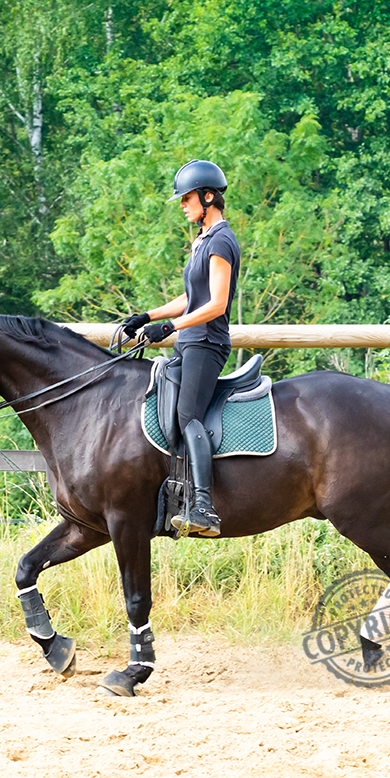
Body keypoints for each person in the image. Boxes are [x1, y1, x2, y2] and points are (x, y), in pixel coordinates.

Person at [119, 160, 240, 536]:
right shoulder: (201, 241)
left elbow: (216, 304)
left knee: (189, 416)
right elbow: (191, 296)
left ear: (208, 197)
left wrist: (169, 328)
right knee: (168, 413)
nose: (183, 205)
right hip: (189, 342)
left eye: (187, 199)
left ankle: (204, 507)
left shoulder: (221, 240)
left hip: (207, 342)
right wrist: (147, 315)